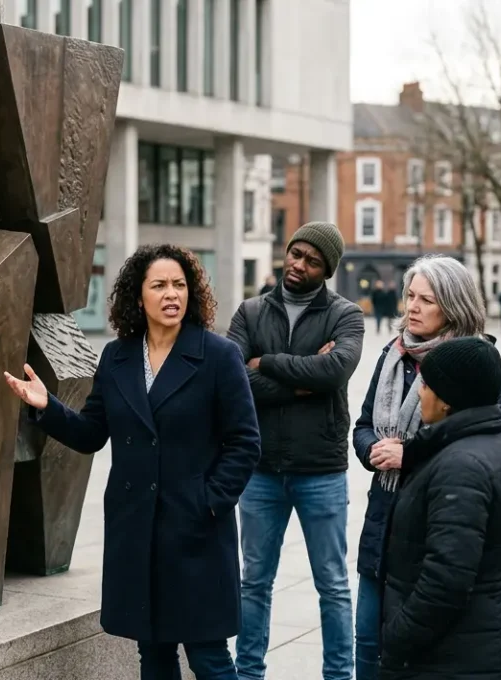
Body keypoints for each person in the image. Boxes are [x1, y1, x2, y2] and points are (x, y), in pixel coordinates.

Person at [4, 244, 261, 680]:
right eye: (158, 285)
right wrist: (47, 407)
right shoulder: (117, 357)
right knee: (154, 656)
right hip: (137, 532)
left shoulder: (218, 356)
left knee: (209, 658)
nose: (171, 294)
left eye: (179, 284)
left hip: (195, 531)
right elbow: (91, 434)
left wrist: (208, 502)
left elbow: (245, 442)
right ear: (137, 296)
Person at [350, 254, 501, 680]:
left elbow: (483, 442)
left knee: (411, 649)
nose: (412, 307)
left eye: (426, 300)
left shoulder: (475, 364)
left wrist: (409, 454)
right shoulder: (392, 354)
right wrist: (373, 451)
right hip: (382, 520)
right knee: (366, 641)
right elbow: (363, 424)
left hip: (434, 524)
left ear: (453, 306)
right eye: (410, 296)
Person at [226, 221, 363, 680]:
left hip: (320, 469)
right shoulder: (248, 312)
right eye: (296, 254)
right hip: (260, 468)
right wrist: (303, 382)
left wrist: (266, 363)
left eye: (312, 261)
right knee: (253, 584)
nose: (298, 265)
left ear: (326, 270)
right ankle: (248, 674)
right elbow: (231, 380)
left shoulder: (346, 315)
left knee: (334, 585)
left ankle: (339, 676)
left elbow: (336, 369)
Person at [378, 337, 501, 680]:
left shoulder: (461, 466)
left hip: (454, 655)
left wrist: (398, 635)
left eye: (427, 385)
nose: (419, 393)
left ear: (447, 400)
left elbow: (447, 578)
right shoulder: (494, 446)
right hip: (478, 644)